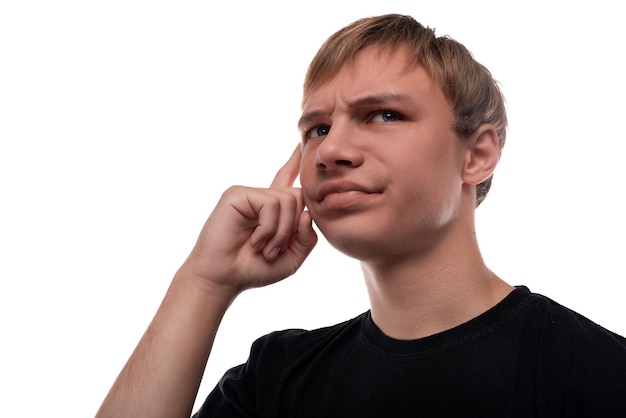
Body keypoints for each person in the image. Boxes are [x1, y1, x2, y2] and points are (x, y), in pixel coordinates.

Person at [96, 14, 626, 418]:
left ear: (476, 155)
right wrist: (204, 282)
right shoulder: (276, 382)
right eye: (317, 128)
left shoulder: (597, 376)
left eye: (385, 114)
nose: (331, 151)